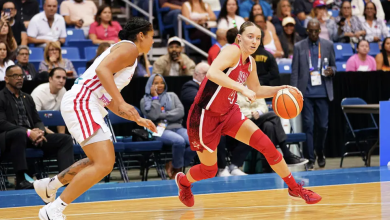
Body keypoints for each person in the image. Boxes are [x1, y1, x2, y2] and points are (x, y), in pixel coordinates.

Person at [174, 21, 322, 208]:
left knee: (268, 146)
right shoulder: (232, 51)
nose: (254, 41)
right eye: (250, 36)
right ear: (239, 37)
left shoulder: (250, 62)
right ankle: (184, 182)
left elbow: (257, 89)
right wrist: (241, 89)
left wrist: (280, 89)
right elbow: (212, 73)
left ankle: (294, 188)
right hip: (205, 115)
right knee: (209, 170)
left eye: (258, 38)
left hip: (229, 112)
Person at [33, 17, 157, 220]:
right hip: (82, 102)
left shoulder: (126, 53)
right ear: (141, 35)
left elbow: (108, 99)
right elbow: (102, 71)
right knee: (104, 162)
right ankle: (53, 209)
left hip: (87, 102)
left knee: (96, 160)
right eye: (152, 36)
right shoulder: (130, 49)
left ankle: (50, 186)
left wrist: (135, 119)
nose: (153, 41)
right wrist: (123, 102)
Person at [0, 65, 74, 190]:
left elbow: (37, 120)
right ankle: (21, 179)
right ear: (6, 79)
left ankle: (65, 179)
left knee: (65, 139)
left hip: (31, 137)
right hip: (9, 139)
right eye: (15, 76)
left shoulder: (27, 98)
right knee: (19, 133)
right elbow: (1, 123)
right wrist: (28, 132)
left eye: (21, 76)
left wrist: (39, 131)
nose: (19, 78)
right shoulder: (1, 97)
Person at [291, 19, 336, 170]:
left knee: (323, 126)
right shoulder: (299, 46)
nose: (314, 33)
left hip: (323, 92)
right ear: (307, 31)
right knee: (308, 126)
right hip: (306, 94)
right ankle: (310, 158)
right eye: (311, 31)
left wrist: (332, 71)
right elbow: (295, 71)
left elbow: (334, 66)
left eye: (317, 31)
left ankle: (320, 151)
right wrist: (294, 93)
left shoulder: (328, 45)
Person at [141, 74, 196, 179]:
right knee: (179, 141)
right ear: (150, 85)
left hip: (178, 127)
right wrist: (155, 98)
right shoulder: (145, 101)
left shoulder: (172, 96)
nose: (160, 85)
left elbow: (180, 112)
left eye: (162, 82)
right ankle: (177, 171)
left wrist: (162, 115)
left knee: (195, 141)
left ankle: (174, 164)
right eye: (156, 83)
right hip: (159, 130)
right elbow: (153, 115)